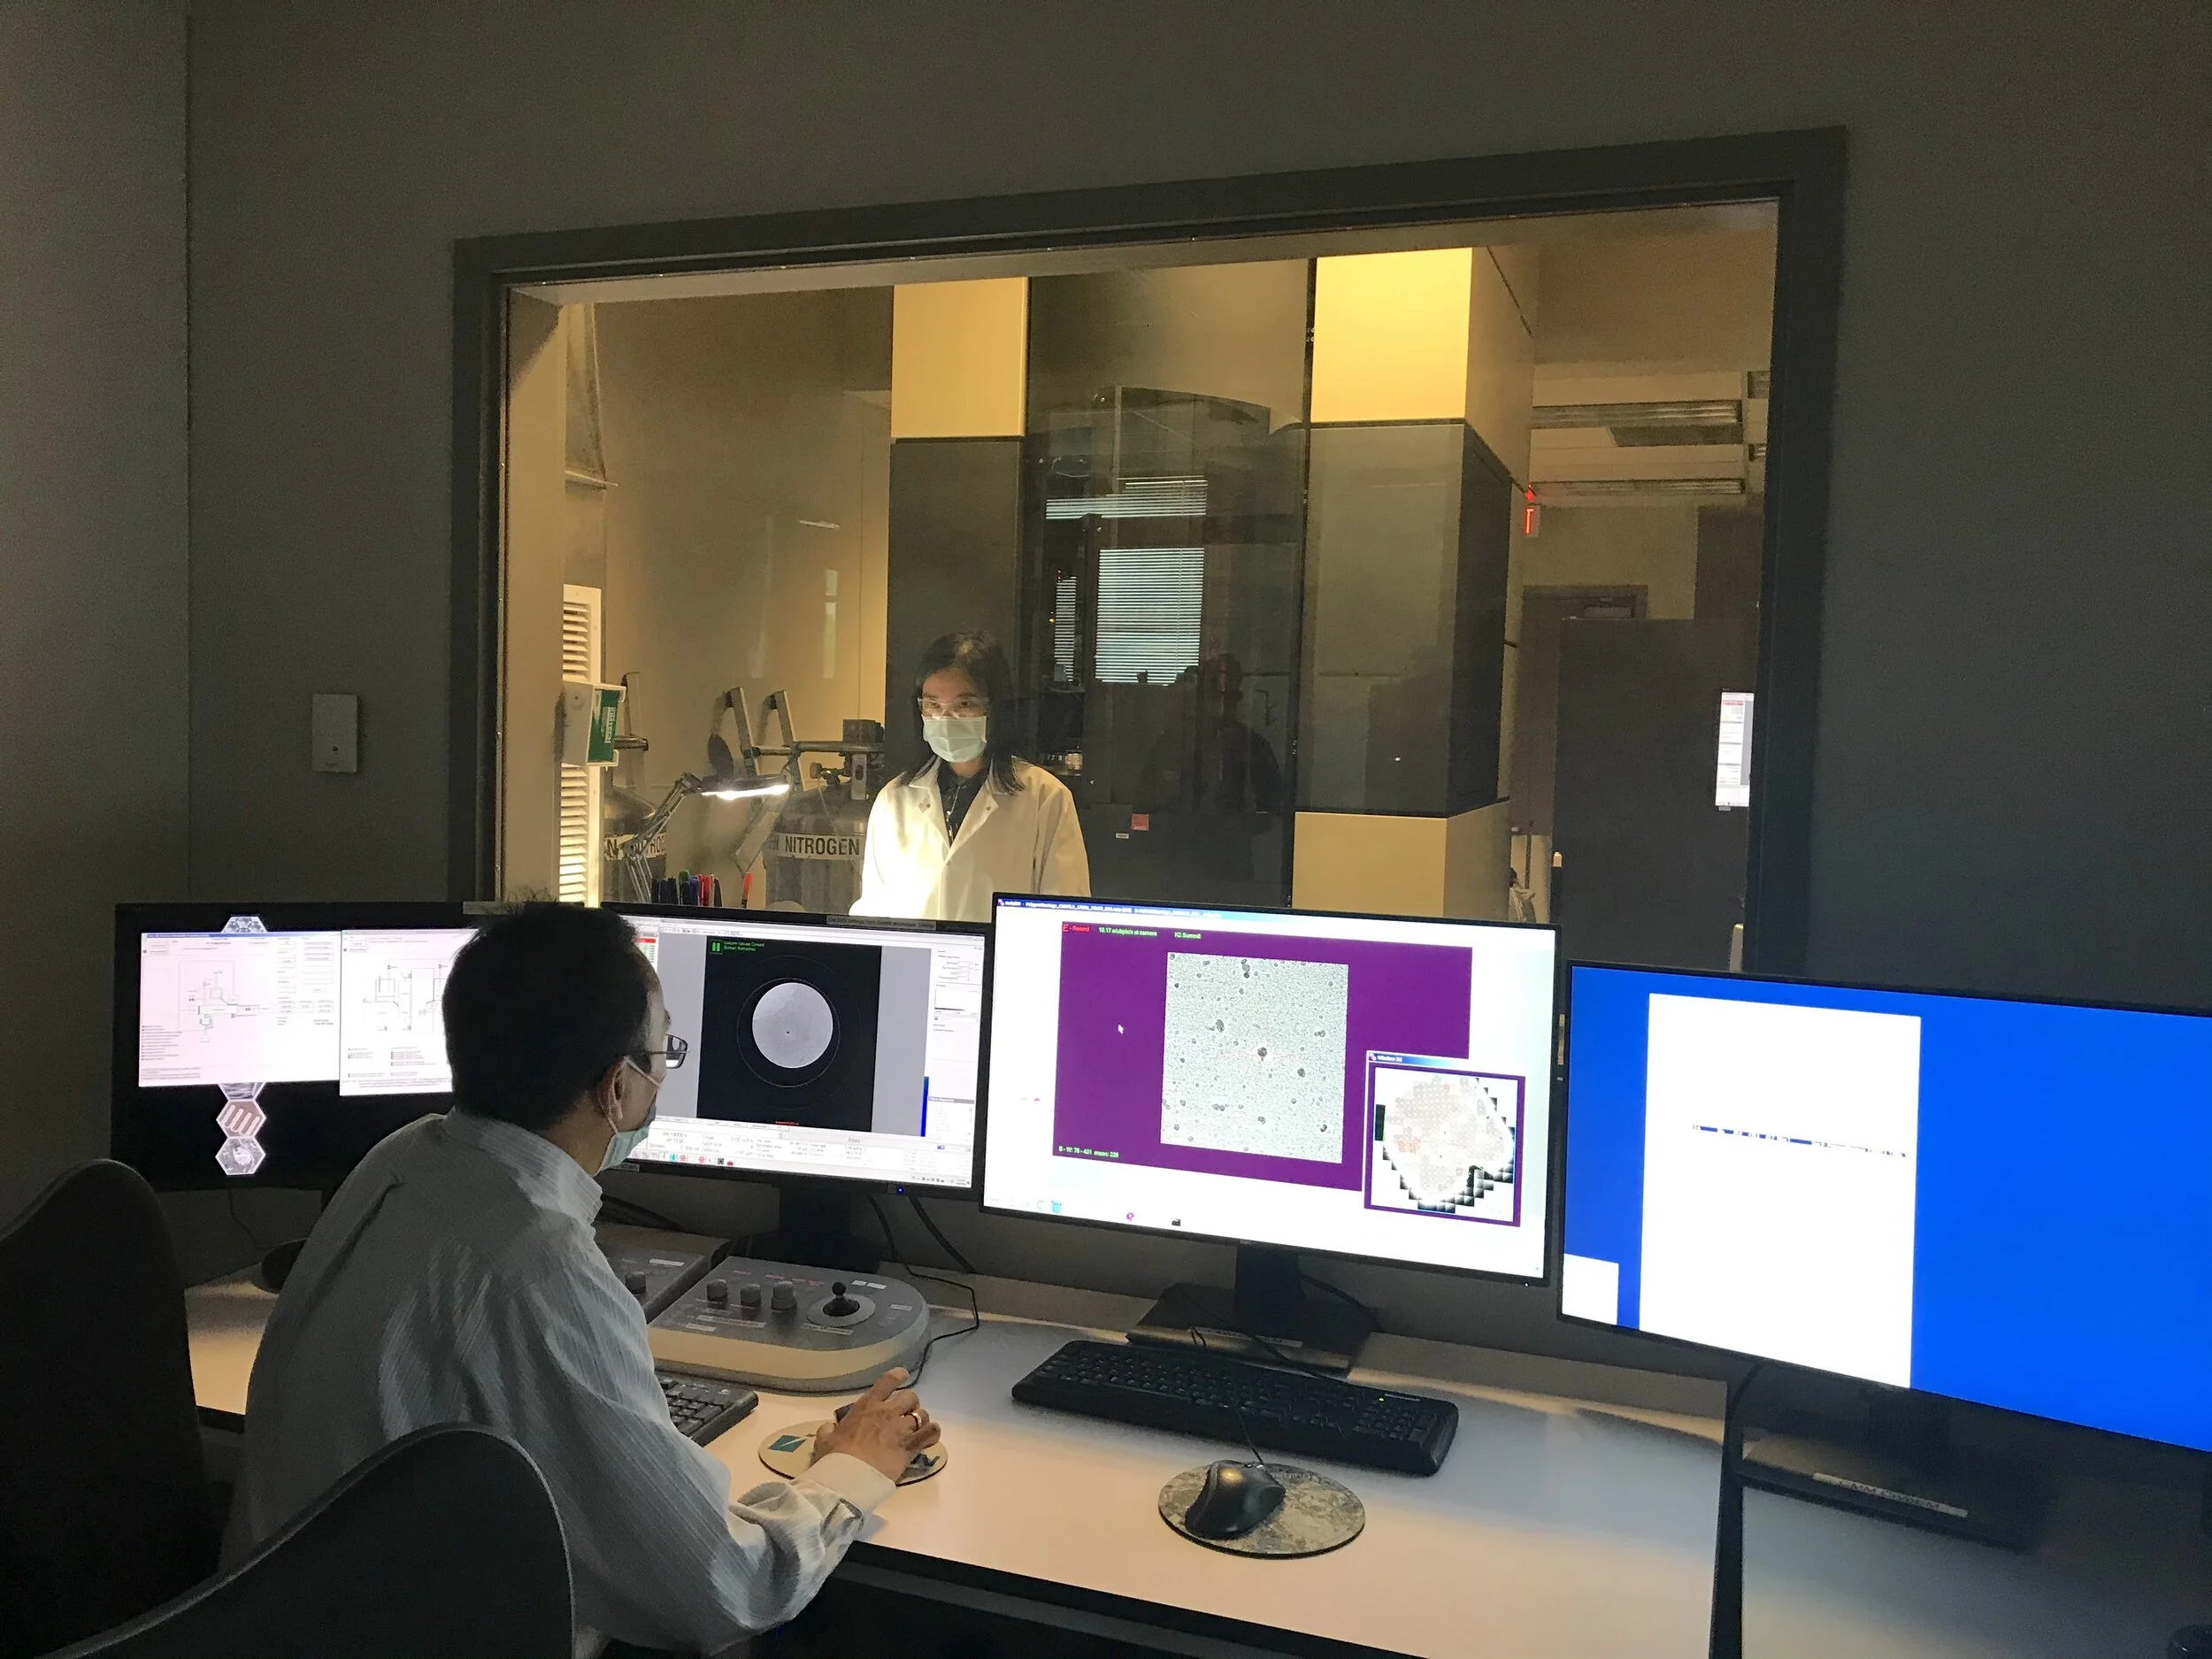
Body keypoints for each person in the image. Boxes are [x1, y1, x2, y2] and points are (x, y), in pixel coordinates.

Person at [223, 904, 939, 1656]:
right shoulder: (538, 1271)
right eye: (662, 1053)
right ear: (616, 1088)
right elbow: (727, 1588)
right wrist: (851, 1469)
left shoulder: (398, 1158)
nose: (663, 1076)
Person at [853, 630, 1088, 923]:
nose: (945, 719)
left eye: (964, 705)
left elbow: (1065, 914)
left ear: (994, 707)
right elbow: (875, 911)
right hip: (912, 954)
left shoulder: (1045, 798)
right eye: (933, 705)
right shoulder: (894, 800)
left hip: (1002, 953)